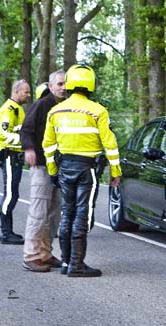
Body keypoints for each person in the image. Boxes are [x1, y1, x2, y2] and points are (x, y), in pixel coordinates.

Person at [42, 64, 121, 277]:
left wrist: (52, 170)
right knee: (82, 214)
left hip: (64, 168)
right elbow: (110, 144)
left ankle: (67, 262)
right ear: (90, 83)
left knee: (67, 212)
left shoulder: (55, 111)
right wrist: (116, 171)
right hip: (87, 169)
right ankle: (77, 265)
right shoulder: (98, 111)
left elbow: (48, 145)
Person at [20, 71, 67, 272]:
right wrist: (29, 148)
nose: (63, 87)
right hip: (41, 164)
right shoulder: (42, 105)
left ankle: (45, 253)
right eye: (60, 84)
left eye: (66, 84)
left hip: (59, 167)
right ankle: (31, 255)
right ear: (50, 85)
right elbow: (26, 129)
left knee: (53, 213)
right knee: (39, 212)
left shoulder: (66, 107)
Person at [0, 79, 32, 244]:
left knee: (13, 193)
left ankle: (8, 231)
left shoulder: (18, 109)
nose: (29, 95)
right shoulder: (9, 110)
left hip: (16, 156)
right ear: (16, 92)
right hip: (10, 155)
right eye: (26, 92)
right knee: (10, 194)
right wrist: (24, 141)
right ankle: (5, 232)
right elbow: (2, 134)